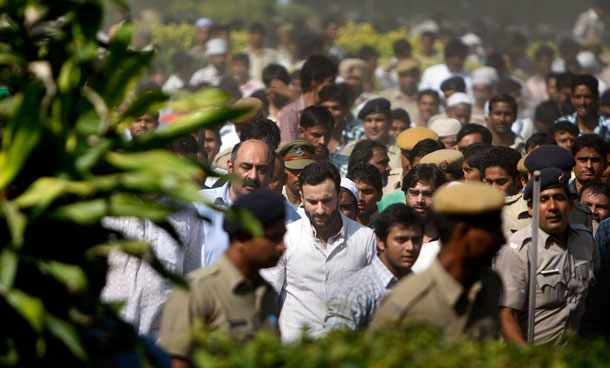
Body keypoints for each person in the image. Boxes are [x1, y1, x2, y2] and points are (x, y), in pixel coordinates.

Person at [159, 190, 287, 366]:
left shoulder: (267, 295)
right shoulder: (196, 293)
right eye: (273, 238)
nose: (283, 246)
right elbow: (177, 362)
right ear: (242, 238)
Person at [371, 182, 506, 340]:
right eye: (493, 231)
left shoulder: (489, 286)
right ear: (462, 233)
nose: (502, 240)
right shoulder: (408, 304)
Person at [261, 161, 377, 342]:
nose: (320, 210)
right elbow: (267, 296)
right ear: (301, 196)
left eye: (327, 201)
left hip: (347, 351)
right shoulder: (286, 238)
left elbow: (376, 297)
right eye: (312, 202)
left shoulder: (366, 239)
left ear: (339, 196)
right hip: (295, 351)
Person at [494, 168, 596, 344]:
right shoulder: (519, 250)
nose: (552, 207)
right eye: (543, 200)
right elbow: (506, 315)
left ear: (571, 204)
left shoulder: (585, 240)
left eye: (558, 198)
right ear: (531, 208)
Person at [325, 203, 424, 330]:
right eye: (401, 240)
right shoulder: (356, 290)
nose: (410, 247)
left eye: (416, 240)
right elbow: (336, 342)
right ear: (380, 242)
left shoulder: (420, 286)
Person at [189, 140, 274, 271]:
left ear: (271, 174)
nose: (253, 176)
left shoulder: (287, 216)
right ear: (230, 168)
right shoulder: (199, 205)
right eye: (246, 167)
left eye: (262, 169)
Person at [279, 55, 338, 143]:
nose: (334, 86)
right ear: (314, 82)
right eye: (330, 81)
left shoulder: (329, 110)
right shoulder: (290, 113)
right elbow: (288, 149)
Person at [402, 164, 448, 272]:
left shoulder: (449, 240)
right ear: (405, 196)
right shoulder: (390, 235)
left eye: (428, 194)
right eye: (414, 193)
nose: (420, 200)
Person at [343, 98, 401, 171]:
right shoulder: (351, 149)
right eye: (368, 120)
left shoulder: (400, 151)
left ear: (390, 122)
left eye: (378, 120)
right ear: (363, 123)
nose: (373, 126)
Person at [555, 74, 610, 141]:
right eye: (578, 97)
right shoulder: (561, 126)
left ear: (596, 98)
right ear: (572, 98)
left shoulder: (608, 125)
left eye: (587, 97)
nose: (582, 102)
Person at [319, 85, 365, 154]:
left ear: (346, 110)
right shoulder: (311, 137)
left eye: (335, 108)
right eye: (325, 108)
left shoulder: (359, 136)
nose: (330, 113)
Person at [276, 140, 316, 209]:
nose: (300, 175)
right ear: (283, 170)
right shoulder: (275, 198)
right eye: (294, 170)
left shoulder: (319, 200)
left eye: (304, 170)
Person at [380, 59, 421, 124]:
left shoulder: (425, 99)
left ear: (418, 77)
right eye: (404, 76)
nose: (408, 80)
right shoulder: (386, 98)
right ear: (399, 77)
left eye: (412, 76)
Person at [348, 164, 383, 228]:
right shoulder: (339, 227)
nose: (360, 198)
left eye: (367, 192)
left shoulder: (388, 228)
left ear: (379, 195)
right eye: (355, 191)